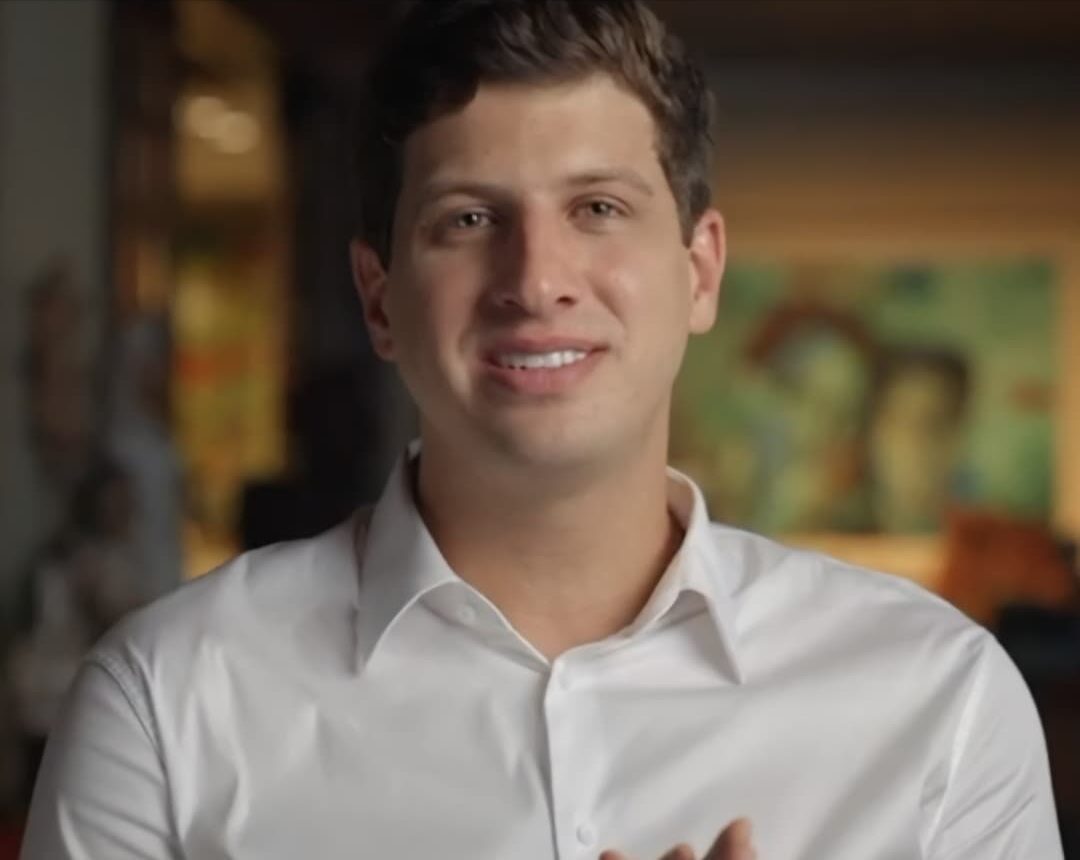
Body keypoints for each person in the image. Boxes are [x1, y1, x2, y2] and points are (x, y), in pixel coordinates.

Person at [22, 1, 1062, 858]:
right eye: (469, 219)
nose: (537, 280)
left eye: (598, 208)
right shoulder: (166, 702)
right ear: (379, 299)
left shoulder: (942, 701)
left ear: (700, 272)